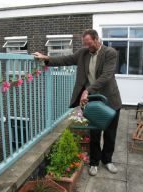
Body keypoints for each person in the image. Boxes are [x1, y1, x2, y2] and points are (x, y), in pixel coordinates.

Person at [33, 29, 122, 176]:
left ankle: (107, 160)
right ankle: (94, 162)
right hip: (94, 101)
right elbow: (66, 59)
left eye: (90, 43)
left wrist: (87, 90)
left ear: (96, 39)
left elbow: (107, 75)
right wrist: (46, 58)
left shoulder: (110, 53)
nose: (88, 47)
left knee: (110, 134)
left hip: (110, 100)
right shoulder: (83, 53)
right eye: (85, 44)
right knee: (94, 133)